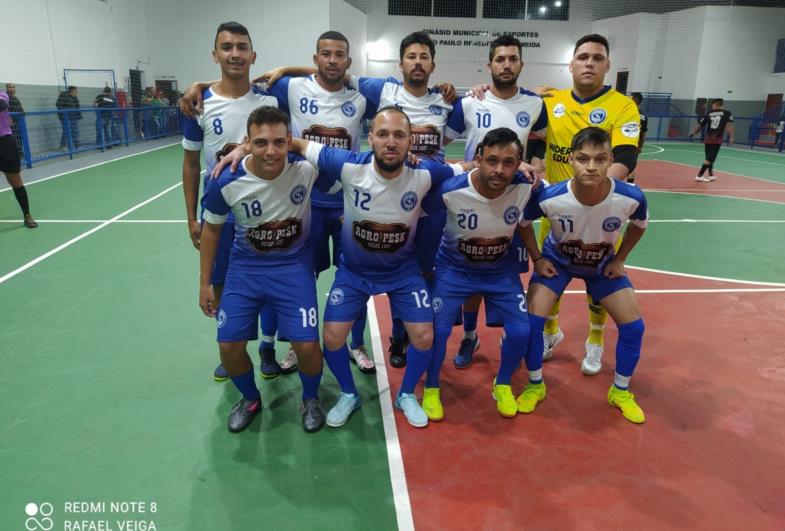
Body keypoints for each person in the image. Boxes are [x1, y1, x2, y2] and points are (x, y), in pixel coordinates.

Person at [183, 31, 378, 376]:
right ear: (315, 58)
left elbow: (403, 95)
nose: (332, 60)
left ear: (348, 61)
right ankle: (286, 345)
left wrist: (290, 65)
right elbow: (242, 80)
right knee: (297, 274)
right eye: (324, 54)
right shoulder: (291, 89)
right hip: (303, 202)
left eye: (339, 55)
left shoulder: (361, 95)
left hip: (346, 203)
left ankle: (357, 343)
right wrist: (201, 84)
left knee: (354, 274)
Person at [291, 107, 467, 428]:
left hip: (403, 273)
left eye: (399, 135)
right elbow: (299, 145)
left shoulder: (426, 173)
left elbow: (465, 169)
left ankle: (407, 395)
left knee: (424, 337)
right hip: (354, 273)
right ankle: (349, 394)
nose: (391, 142)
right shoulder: (348, 165)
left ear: (410, 141)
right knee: (331, 337)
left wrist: (520, 168)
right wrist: (248, 148)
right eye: (383, 134)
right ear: (370, 138)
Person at [200, 106, 330, 433]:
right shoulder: (224, 180)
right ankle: (250, 398)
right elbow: (212, 230)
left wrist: (300, 145)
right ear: (247, 143)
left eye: (278, 142)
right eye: (260, 143)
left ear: (289, 141)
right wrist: (204, 283)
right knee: (228, 345)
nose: (270, 151)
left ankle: (311, 397)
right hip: (245, 268)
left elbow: (353, 168)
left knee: (307, 346)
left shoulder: (307, 170)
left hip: (293, 267)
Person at [519, 126, 648, 424]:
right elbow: (523, 224)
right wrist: (537, 258)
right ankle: (535, 385)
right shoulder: (550, 196)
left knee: (634, 328)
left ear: (610, 160)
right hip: (558, 262)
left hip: (602, 265)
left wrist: (620, 259)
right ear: (572, 160)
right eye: (583, 158)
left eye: (600, 159)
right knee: (531, 323)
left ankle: (621, 391)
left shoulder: (630, 197)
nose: (591, 166)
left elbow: (639, 226)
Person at [536, 34, 641, 376]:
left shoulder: (623, 106)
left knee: (599, 273)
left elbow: (626, 153)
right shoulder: (551, 101)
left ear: (607, 65)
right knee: (550, 273)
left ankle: (595, 340)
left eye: (597, 58)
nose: (589, 63)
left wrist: (594, 191)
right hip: (555, 210)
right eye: (583, 57)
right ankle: (551, 334)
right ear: (571, 64)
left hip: (600, 209)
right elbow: (526, 135)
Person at [181, 21, 279, 382]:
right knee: (220, 282)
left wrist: (284, 70)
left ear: (253, 55)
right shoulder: (198, 105)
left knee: (268, 284)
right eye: (227, 47)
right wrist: (191, 217)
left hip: (265, 212)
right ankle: (232, 346)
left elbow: (319, 74)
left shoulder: (271, 99)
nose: (234, 54)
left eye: (241, 47)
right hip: (219, 215)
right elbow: (191, 165)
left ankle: (267, 346)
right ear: (215, 54)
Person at [443, 34, 546, 369]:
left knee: (505, 276)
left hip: (513, 199)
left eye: (512, 59)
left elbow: (541, 139)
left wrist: (538, 163)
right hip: (474, 199)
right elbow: (441, 142)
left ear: (521, 64)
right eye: (500, 59)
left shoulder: (535, 104)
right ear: (489, 65)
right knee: (473, 274)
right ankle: (470, 335)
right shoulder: (471, 102)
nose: (506, 65)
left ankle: (511, 335)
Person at [421, 127, 535, 420]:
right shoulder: (451, 189)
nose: (499, 169)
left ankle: (503, 384)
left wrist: (540, 256)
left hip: (500, 272)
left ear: (519, 163)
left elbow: (535, 218)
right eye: (492, 160)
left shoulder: (525, 187)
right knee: (439, 331)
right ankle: (432, 387)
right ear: (479, 158)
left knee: (522, 331)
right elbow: (419, 214)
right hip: (454, 269)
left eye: (509, 162)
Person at [0, 89, 37, 228]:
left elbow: (2, 105)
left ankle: (27, 215)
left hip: (4, 143)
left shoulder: (2, 95)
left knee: (15, 181)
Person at [690, 98, 734, 182]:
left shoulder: (709, 113)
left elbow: (700, 125)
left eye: (713, 105)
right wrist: (731, 136)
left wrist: (694, 133)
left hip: (707, 139)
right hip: (716, 140)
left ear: (715, 105)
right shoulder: (727, 113)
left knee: (709, 157)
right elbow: (729, 125)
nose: (712, 106)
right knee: (710, 158)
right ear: (721, 105)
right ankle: (699, 175)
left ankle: (710, 175)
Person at [627, 92, 647, 184]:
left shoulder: (628, 111)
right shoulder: (643, 115)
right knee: (632, 165)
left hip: (623, 141)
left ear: (634, 99)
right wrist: (640, 147)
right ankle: (630, 186)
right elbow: (643, 133)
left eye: (630, 97)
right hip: (634, 143)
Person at [5, 83, 24, 158]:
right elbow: (5, 109)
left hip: (18, 122)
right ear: (7, 89)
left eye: (13, 87)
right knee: (14, 139)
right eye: (10, 87)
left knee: (19, 138)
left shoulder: (15, 97)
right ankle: (16, 155)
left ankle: (20, 154)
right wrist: (9, 119)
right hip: (12, 123)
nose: (12, 89)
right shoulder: (6, 97)